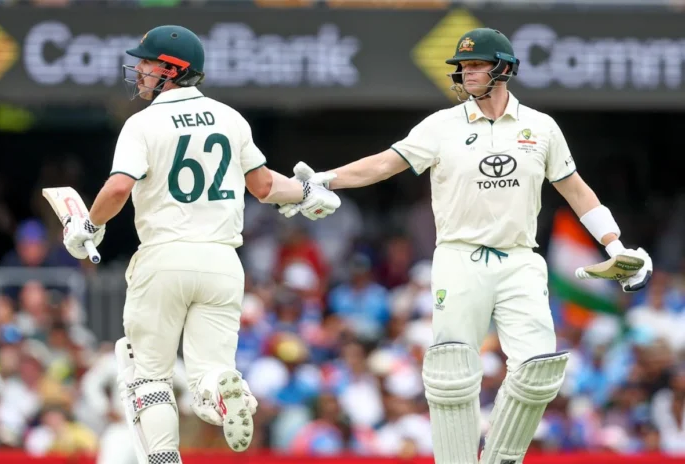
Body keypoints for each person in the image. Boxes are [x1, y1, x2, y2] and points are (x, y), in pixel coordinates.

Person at [277, 27, 652, 464]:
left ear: (504, 69)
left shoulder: (541, 128)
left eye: (476, 65)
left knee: (538, 371)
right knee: (452, 371)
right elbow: (383, 164)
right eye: (464, 66)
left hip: (519, 259)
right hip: (459, 257)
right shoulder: (441, 125)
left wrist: (613, 243)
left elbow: (576, 190)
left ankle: (499, 459)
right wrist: (324, 179)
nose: (467, 73)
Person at [60, 25, 341, 464]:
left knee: (150, 375)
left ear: (171, 70)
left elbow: (117, 189)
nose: (139, 71)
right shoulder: (230, 118)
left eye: (147, 64)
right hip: (222, 262)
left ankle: (164, 458)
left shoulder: (143, 123)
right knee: (209, 370)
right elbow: (265, 186)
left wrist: (88, 227)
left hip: (164, 257)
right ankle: (225, 395)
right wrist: (307, 194)